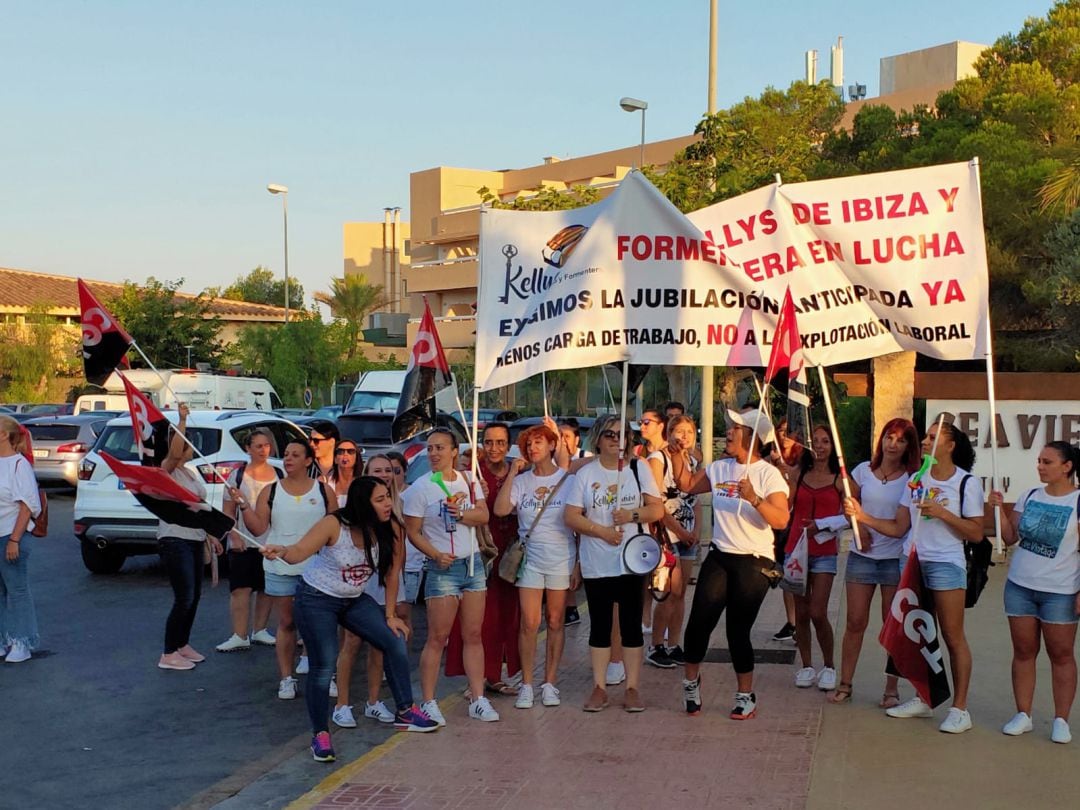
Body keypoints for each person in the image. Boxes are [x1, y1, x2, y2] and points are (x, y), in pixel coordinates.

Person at [261, 476, 438, 763]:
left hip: (353, 599)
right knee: (323, 666)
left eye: (388, 497)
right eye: (380, 499)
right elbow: (299, 552)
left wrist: (390, 615)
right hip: (316, 598)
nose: (388, 504)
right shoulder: (334, 524)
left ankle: (405, 711)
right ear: (362, 503)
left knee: (393, 639)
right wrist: (280, 552)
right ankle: (320, 735)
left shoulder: (391, 526)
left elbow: (392, 574)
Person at [844, 420, 983, 733]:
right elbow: (897, 527)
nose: (924, 441)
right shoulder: (916, 479)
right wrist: (862, 516)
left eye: (933, 438)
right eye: (925, 437)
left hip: (946, 563)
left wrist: (943, 513)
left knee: (952, 635)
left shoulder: (966, 483)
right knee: (919, 634)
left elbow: (975, 532)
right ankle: (924, 696)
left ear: (950, 446)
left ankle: (960, 709)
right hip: (911, 561)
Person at [670, 409, 789, 719]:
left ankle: (745, 694)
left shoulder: (768, 474)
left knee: (737, 629)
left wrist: (754, 499)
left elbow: (781, 519)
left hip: (755, 559)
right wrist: (678, 453)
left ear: (752, 438)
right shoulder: (720, 467)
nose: (730, 432)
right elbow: (686, 484)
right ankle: (691, 682)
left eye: (736, 428)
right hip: (721, 554)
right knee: (699, 623)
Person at [563, 415, 664, 713]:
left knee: (631, 625)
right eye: (609, 434)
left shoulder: (638, 468)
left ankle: (632, 687)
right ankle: (599, 686)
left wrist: (632, 516)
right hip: (597, 561)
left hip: (631, 562)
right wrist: (603, 531)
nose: (615, 440)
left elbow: (656, 509)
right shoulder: (586, 474)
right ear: (598, 439)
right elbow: (571, 515)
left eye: (621, 435)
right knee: (600, 626)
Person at [402, 428, 498, 724]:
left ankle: (478, 698)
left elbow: (483, 516)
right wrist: (434, 554)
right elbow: (412, 531)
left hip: (472, 565)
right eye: (430, 448)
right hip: (443, 568)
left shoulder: (469, 480)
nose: (433, 453)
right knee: (438, 637)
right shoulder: (419, 488)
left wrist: (461, 515)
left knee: (472, 634)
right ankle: (429, 701)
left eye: (440, 448)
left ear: (454, 451)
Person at [990, 441, 1080, 744]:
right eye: (1039, 461)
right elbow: (1010, 536)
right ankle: (1023, 714)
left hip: (1060, 591)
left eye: (1047, 462)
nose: (1040, 466)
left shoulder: (1078, 502)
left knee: (1062, 654)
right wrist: (999, 511)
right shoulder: (1029, 496)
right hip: (1020, 586)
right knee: (1024, 651)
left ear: (1067, 467)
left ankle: (1060, 719)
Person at [829, 418, 919, 706]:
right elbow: (847, 498)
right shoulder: (863, 470)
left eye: (901, 440)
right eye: (889, 437)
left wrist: (865, 518)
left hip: (894, 559)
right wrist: (858, 526)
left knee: (891, 626)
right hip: (862, 557)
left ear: (909, 446)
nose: (893, 444)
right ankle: (845, 683)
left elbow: (900, 526)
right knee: (855, 622)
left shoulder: (912, 478)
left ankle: (891, 689)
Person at [238, 439, 336, 699]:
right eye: (286, 454)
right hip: (280, 568)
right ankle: (286, 678)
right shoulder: (270, 491)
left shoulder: (324, 492)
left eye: (295, 455)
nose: (288, 459)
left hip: (318, 569)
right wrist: (244, 506)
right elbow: (258, 528)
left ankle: (326, 673)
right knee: (287, 622)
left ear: (308, 461)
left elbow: (336, 529)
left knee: (320, 624)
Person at [494, 424, 577, 709]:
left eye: (539, 442)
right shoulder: (521, 480)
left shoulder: (567, 480)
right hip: (529, 558)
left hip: (560, 556)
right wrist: (512, 474)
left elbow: (577, 520)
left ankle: (550, 682)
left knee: (555, 620)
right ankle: (527, 684)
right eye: (529, 444)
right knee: (530, 623)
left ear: (552, 446)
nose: (532, 448)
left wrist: (576, 565)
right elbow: (501, 509)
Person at [332, 451, 408, 729]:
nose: (384, 476)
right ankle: (342, 704)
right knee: (351, 643)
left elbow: (395, 568)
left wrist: (392, 608)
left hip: (384, 588)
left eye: (389, 471)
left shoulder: (395, 518)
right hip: (356, 587)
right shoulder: (348, 515)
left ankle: (374, 702)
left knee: (381, 644)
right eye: (377, 471)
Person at [445, 422, 522, 694]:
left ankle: (494, 675)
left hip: (509, 554)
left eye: (500, 442)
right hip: (480, 551)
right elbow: (454, 508)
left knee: (506, 617)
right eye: (489, 442)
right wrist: (473, 498)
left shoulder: (518, 472)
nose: (494, 448)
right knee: (478, 620)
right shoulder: (470, 475)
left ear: (509, 445)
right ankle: (475, 679)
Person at [157, 403, 224, 670]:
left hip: (195, 537)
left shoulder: (189, 471)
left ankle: (182, 644)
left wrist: (211, 534)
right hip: (175, 538)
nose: (189, 446)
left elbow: (199, 507)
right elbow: (173, 453)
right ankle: (168, 653)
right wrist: (182, 420)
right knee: (183, 596)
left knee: (194, 595)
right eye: (186, 442)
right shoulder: (167, 468)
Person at [785, 426, 845, 692]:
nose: (820, 446)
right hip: (796, 550)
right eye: (816, 442)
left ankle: (829, 665)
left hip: (824, 551)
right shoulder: (798, 474)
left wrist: (824, 524)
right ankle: (807, 665)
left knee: (818, 611)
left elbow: (853, 514)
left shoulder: (841, 478)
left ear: (834, 446)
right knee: (801, 612)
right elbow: (783, 502)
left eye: (825, 441)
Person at [217, 428, 280, 652]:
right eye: (258, 446)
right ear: (248, 449)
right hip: (243, 539)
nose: (263, 450)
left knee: (266, 587)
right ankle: (239, 634)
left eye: (266, 445)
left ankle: (260, 629)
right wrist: (233, 535)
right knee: (240, 588)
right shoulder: (238, 475)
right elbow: (228, 509)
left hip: (269, 540)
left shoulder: (278, 475)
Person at [645, 413, 700, 669]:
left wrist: (695, 531)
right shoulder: (658, 459)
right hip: (666, 535)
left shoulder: (693, 461)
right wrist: (679, 531)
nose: (685, 436)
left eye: (689, 431)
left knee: (680, 592)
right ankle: (656, 644)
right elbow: (656, 504)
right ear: (669, 433)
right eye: (680, 431)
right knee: (667, 591)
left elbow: (695, 499)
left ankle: (674, 642)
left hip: (688, 536)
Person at [0, 415, 42, 664]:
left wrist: (14, 540)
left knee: (17, 590)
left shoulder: (19, 465)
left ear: (5, 435)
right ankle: (4, 639)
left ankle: (22, 642)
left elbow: (27, 506)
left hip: (11, 535)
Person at [770, 418, 799, 642]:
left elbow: (794, 487)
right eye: (780, 431)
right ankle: (792, 621)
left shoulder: (803, 461)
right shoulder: (769, 460)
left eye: (788, 432)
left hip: (797, 523)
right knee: (785, 575)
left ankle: (801, 621)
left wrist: (782, 466)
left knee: (797, 572)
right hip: (777, 525)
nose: (784, 435)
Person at [557, 419, 588, 629]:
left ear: (576, 439)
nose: (562, 441)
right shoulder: (552, 462)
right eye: (558, 436)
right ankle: (569, 606)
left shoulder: (587, 459)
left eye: (566, 437)